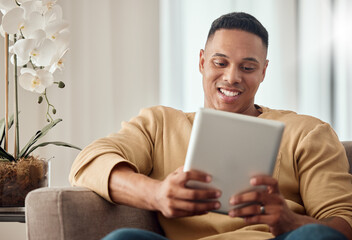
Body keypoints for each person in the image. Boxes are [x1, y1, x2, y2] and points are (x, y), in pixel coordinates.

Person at [69, 12, 352, 240]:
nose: (231, 77)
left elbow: (345, 226)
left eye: (248, 67)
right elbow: (88, 163)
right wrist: (156, 194)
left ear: (264, 71)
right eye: (220, 62)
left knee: (315, 234)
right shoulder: (159, 124)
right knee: (123, 238)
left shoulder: (307, 132)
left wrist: (291, 222)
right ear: (202, 61)